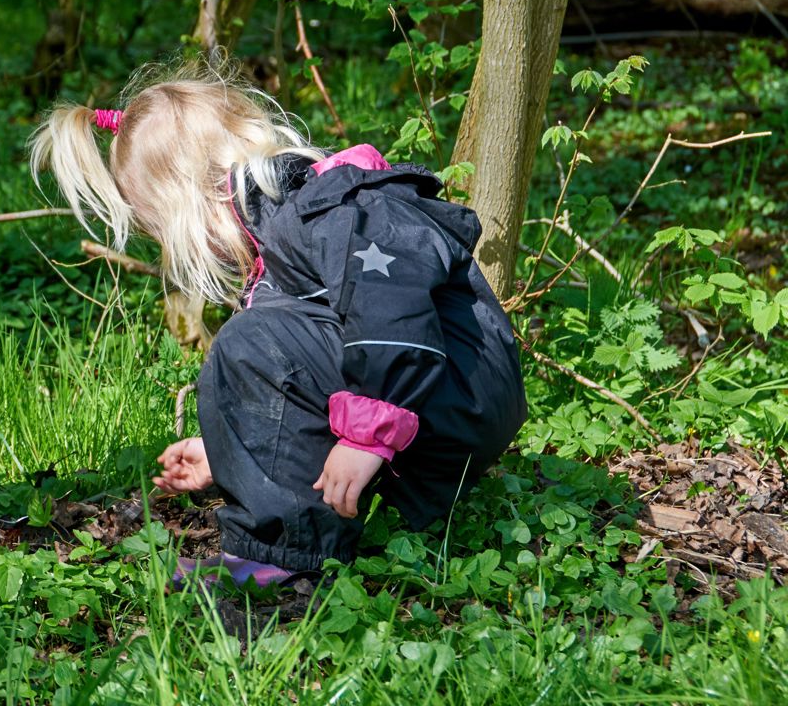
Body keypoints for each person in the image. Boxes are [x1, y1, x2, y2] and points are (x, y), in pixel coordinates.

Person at [29, 58, 527, 585]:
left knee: (251, 341)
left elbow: (394, 311)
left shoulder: (329, 208)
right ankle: (293, 526)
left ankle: (282, 552)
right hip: (437, 398)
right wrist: (231, 454)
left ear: (196, 202)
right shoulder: (289, 234)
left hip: (454, 389)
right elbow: (303, 382)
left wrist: (367, 436)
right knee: (259, 340)